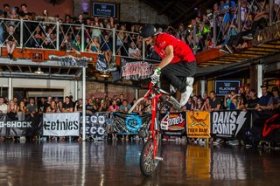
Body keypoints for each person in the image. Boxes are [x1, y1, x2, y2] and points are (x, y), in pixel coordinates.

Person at [139, 24, 197, 107]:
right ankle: (183, 81)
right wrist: (156, 69)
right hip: (181, 65)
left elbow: (170, 56)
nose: (146, 42)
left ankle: (184, 89)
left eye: (147, 40)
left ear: (152, 36)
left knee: (162, 69)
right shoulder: (156, 45)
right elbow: (167, 61)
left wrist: (158, 69)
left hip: (188, 64)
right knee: (160, 70)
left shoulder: (162, 38)